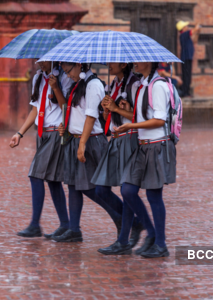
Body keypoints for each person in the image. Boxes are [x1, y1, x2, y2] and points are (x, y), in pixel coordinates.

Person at [98, 62, 177, 258]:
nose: (135, 63)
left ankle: (160, 244)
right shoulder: (142, 85)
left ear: (149, 63)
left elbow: (159, 120)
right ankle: (150, 232)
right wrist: (119, 109)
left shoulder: (157, 86)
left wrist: (129, 124)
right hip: (143, 144)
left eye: (140, 60)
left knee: (153, 196)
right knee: (128, 190)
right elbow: (141, 114)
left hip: (157, 144)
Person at [54, 63, 119, 243]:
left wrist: (82, 144)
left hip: (90, 141)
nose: (68, 75)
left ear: (80, 65)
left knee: (92, 188)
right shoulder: (77, 84)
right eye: (65, 72)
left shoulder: (93, 84)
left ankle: (123, 217)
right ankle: (74, 229)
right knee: (74, 186)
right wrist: (66, 127)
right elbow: (75, 112)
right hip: (75, 139)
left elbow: (91, 117)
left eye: (69, 71)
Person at [9, 61, 72, 239]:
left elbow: (66, 107)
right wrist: (20, 133)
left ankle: (35, 225)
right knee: (52, 180)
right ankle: (65, 224)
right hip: (41, 134)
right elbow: (35, 109)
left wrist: (56, 88)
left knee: (35, 175)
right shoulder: (38, 77)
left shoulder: (64, 78)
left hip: (55, 133)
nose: (39, 63)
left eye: (43, 60)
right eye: (38, 59)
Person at [90, 62, 144, 246]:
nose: (108, 65)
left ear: (122, 64)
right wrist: (107, 110)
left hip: (130, 140)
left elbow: (142, 118)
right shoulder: (113, 84)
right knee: (101, 189)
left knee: (126, 190)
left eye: (112, 62)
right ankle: (136, 223)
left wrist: (117, 109)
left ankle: (123, 241)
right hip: (115, 140)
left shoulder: (135, 84)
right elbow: (109, 118)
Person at [176, 20, 201, 97]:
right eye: (185, 26)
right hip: (185, 58)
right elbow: (195, 29)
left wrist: (197, 32)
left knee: (188, 75)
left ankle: (186, 91)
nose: (187, 27)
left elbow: (195, 40)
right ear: (183, 28)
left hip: (188, 58)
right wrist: (197, 24)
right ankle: (185, 92)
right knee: (186, 76)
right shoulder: (184, 34)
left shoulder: (186, 36)